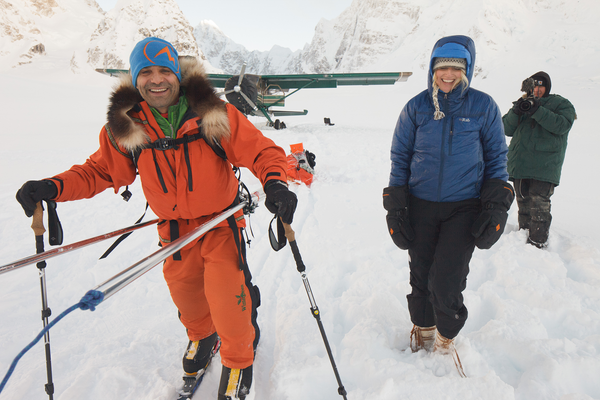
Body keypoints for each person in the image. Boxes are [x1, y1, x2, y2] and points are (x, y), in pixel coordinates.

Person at [15, 37, 297, 400]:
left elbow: (260, 151)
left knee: (229, 297)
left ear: (177, 74)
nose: (156, 79)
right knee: (188, 299)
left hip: (220, 224)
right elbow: (98, 171)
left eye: (165, 70)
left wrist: (275, 183)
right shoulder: (127, 125)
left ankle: (239, 359)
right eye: (146, 72)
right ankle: (202, 336)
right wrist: (53, 187)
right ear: (136, 79)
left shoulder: (213, 114)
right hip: (174, 232)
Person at [382, 35, 514, 371]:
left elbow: (498, 157)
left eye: (456, 68)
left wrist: (496, 205)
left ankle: (445, 338)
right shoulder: (416, 107)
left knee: (447, 279)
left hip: (464, 206)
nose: (449, 75)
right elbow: (400, 157)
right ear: (433, 69)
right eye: (443, 68)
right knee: (421, 274)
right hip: (420, 204)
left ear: (467, 70)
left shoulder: (483, 107)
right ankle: (424, 330)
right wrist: (396, 206)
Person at [503, 71, 576, 249]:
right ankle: (522, 239)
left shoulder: (561, 104)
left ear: (547, 87)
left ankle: (537, 243)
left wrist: (538, 109)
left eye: (541, 85)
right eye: (534, 86)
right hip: (520, 162)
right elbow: (505, 128)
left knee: (539, 204)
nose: (537, 89)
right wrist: (516, 110)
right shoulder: (523, 103)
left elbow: (562, 125)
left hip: (545, 164)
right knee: (523, 202)